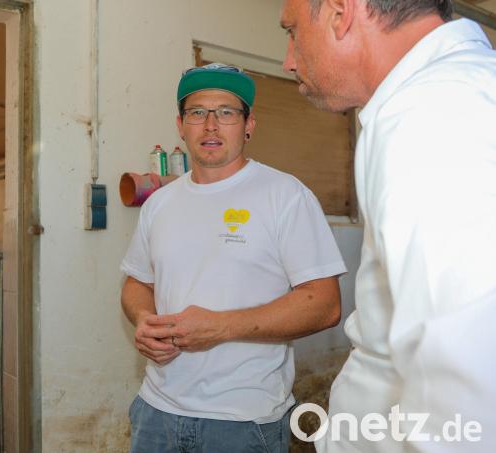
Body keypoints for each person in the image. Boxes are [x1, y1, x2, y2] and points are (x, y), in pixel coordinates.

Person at [280, 0, 496, 451]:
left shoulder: (434, 115)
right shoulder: (450, 93)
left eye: (294, 32)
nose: (289, 59)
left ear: (340, 13)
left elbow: (465, 401)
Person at [120, 63, 348, 453]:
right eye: (197, 113)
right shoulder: (159, 204)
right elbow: (137, 283)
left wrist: (221, 327)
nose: (210, 125)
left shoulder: (285, 196)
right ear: (180, 125)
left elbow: (324, 304)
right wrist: (143, 319)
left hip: (243, 422)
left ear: (248, 126)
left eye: (226, 112)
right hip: (155, 413)